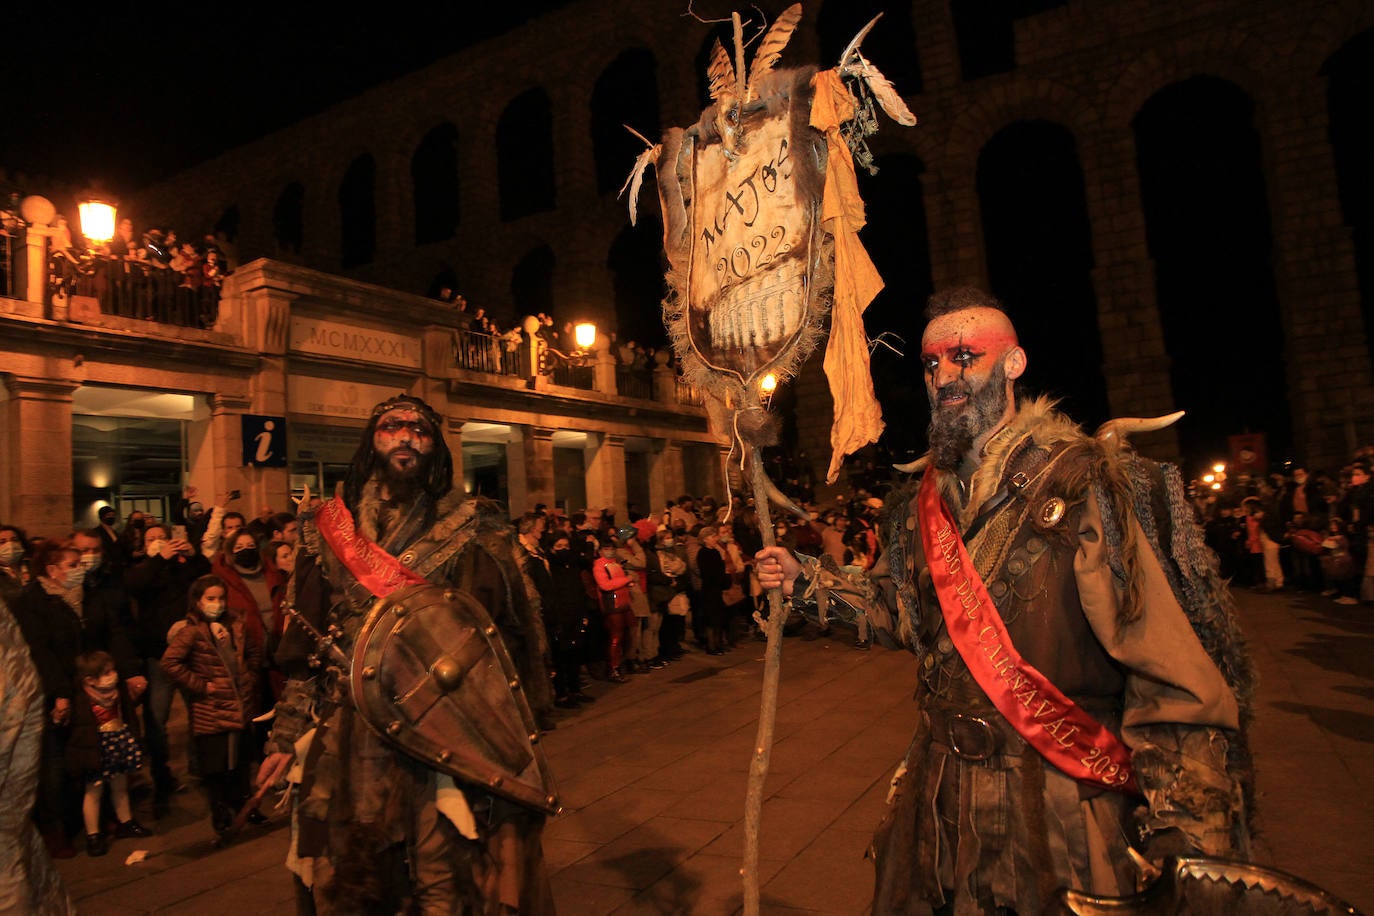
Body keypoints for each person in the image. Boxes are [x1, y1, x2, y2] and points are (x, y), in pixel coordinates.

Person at [757, 287, 1253, 914]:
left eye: (964, 356)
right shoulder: (918, 501)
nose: (945, 376)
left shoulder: (1082, 483)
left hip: (1062, 800)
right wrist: (808, 582)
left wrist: (1185, 839)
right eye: (932, 363)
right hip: (939, 800)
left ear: (1014, 363)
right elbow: (902, 615)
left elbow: (1170, 675)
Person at [256, 395, 555, 913]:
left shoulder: (475, 529)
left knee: (450, 875)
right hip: (352, 727)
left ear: (435, 445)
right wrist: (285, 735)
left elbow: (511, 637)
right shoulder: (327, 529)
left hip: (448, 727)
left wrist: (516, 733)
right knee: (355, 874)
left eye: (419, 430)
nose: (406, 437)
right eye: (393, 426)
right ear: (372, 439)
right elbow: (303, 646)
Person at [161, 575, 261, 842]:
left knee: (240, 762)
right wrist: (202, 686)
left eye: (220, 598)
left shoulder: (236, 625)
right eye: (210, 599)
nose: (217, 604)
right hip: (213, 709)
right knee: (216, 767)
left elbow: (252, 653)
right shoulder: (192, 631)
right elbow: (170, 663)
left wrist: (247, 678)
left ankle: (244, 805)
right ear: (198, 601)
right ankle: (221, 811)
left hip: (239, 705)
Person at [66, 650, 150, 856]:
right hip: (96, 748)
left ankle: (126, 821)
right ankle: (93, 834)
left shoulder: (117, 693)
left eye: (112, 670)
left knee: (120, 785)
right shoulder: (82, 699)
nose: (112, 675)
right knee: (94, 790)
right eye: (106, 672)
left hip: (117, 740)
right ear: (90, 679)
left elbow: (127, 714)